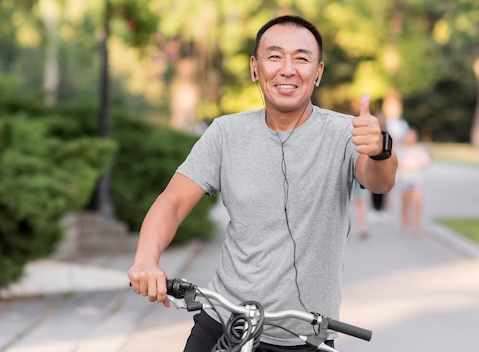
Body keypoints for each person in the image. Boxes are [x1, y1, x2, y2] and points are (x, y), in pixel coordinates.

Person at [128, 15, 397, 352]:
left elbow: (379, 182)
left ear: (319, 72)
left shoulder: (344, 133)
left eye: (301, 58)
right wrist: (146, 259)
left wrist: (381, 150)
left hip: (306, 336)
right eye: (274, 56)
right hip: (225, 322)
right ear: (255, 68)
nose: (287, 69)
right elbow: (173, 202)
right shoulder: (225, 133)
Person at [397, 128, 431, 235]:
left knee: (417, 202)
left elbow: (425, 162)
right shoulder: (401, 151)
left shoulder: (419, 150)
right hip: (405, 179)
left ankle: (417, 224)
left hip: (416, 180)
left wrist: (417, 165)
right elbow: (397, 164)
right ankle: (406, 223)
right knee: (406, 203)